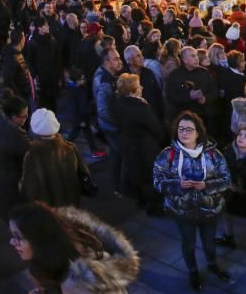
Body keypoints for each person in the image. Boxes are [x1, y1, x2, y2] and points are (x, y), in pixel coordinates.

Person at [152, 110, 232, 292]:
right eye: (181, 129)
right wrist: (178, 185)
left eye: (189, 129)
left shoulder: (213, 154)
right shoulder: (168, 155)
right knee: (188, 243)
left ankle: (212, 264)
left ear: (198, 132)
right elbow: (158, 182)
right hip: (183, 211)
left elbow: (226, 180)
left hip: (209, 210)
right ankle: (193, 272)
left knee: (209, 242)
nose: (184, 133)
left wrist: (206, 185)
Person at [8, 201, 139, 294]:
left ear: (40, 240)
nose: (12, 242)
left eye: (18, 237)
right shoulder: (52, 263)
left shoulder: (83, 283)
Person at [116, 73, 166, 214]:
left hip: (128, 145)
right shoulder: (140, 107)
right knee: (149, 178)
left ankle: (140, 201)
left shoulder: (118, 102)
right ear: (132, 90)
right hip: (145, 147)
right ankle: (154, 208)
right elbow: (155, 127)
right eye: (139, 86)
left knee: (136, 175)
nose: (142, 87)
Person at [20, 108, 88, 208]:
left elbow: (30, 188)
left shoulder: (32, 155)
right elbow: (83, 173)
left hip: (50, 208)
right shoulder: (70, 147)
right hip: (72, 202)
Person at [0, 92, 31, 218]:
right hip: (13, 180)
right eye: (24, 116)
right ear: (13, 117)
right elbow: (30, 155)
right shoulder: (17, 136)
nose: (26, 118)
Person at [94, 48, 124, 193]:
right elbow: (103, 110)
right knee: (118, 154)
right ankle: (118, 187)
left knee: (116, 153)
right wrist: (118, 122)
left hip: (110, 124)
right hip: (111, 126)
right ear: (107, 62)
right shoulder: (105, 81)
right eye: (116, 59)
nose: (120, 61)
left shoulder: (106, 76)